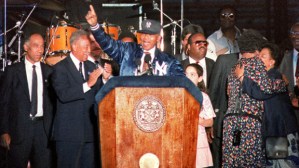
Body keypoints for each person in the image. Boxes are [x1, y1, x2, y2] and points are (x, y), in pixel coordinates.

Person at [222, 30, 286, 167]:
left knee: (232, 162)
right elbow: (267, 88)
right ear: (257, 49)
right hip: (249, 123)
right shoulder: (257, 64)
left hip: (230, 122)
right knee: (252, 163)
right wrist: (282, 84)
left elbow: (230, 94)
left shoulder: (234, 67)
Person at [235, 42, 299, 167]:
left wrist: (242, 77)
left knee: (281, 164)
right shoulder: (267, 77)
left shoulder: (274, 76)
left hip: (280, 131)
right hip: (274, 130)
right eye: (258, 56)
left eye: (263, 56)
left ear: (272, 62)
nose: (258, 59)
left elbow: (260, 93)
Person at [0, 33, 55, 168]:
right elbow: (4, 103)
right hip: (19, 131)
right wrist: (3, 131)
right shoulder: (13, 71)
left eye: (42, 46)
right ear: (25, 47)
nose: (40, 50)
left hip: (43, 132)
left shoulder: (49, 72)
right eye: (36, 46)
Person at [51, 30, 104, 167]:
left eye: (89, 47)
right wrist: (87, 84)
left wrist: (106, 79)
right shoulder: (60, 68)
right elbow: (64, 95)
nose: (89, 50)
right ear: (74, 46)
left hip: (89, 134)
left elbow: (99, 95)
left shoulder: (92, 67)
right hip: (68, 135)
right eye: (85, 46)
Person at [85, 5, 184, 76]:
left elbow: (180, 86)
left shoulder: (169, 61)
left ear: (158, 38)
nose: (145, 38)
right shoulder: (128, 51)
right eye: (144, 33)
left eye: (150, 35)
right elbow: (108, 44)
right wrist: (95, 26)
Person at [208, 52, 239, 168]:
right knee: (218, 159)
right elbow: (213, 91)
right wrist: (211, 121)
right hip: (222, 120)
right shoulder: (225, 60)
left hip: (246, 128)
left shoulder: (258, 65)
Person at [185, 63, 215, 168]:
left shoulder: (203, 97)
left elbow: (210, 121)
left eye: (192, 74)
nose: (188, 77)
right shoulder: (178, 93)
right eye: (186, 74)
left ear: (200, 78)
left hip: (198, 138)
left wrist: (200, 121)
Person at [280, 22, 299, 125]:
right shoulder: (285, 57)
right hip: (290, 113)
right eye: (294, 32)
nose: (297, 36)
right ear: (290, 35)